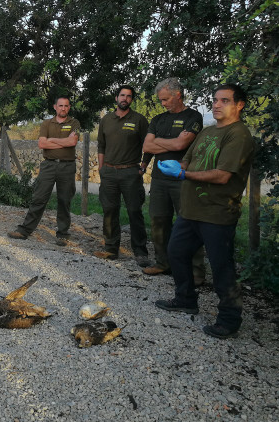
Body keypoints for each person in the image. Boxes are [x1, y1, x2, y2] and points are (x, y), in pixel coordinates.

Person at [155, 84, 254, 339]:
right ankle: (186, 298)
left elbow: (222, 175)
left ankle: (229, 320)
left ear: (239, 105)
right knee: (176, 252)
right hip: (191, 210)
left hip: (217, 213)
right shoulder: (208, 131)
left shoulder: (239, 134)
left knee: (221, 266)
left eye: (224, 100)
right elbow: (188, 157)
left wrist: (183, 174)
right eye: (215, 100)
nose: (217, 104)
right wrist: (177, 165)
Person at [141, 78, 206, 285]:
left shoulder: (193, 116)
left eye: (166, 99)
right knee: (158, 221)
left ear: (178, 95)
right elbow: (147, 146)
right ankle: (162, 263)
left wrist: (158, 142)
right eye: (161, 100)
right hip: (159, 180)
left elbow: (182, 144)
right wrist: (171, 144)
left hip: (183, 179)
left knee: (188, 222)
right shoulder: (158, 119)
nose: (163, 104)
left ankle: (196, 272)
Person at [8, 96, 80, 246]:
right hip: (49, 165)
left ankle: (62, 234)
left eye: (66, 106)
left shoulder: (74, 123)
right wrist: (63, 142)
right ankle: (24, 230)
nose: (63, 108)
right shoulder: (47, 123)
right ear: (55, 107)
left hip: (67, 166)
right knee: (39, 198)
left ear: (69, 107)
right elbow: (42, 144)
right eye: (60, 106)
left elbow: (72, 142)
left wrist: (52, 140)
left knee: (64, 200)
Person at [96, 85, 149, 263]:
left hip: (130, 173)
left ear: (132, 100)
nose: (124, 98)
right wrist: (102, 168)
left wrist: (143, 166)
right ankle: (111, 249)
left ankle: (140, 252)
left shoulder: (139, 120)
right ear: (116, 98)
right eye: (122, 95)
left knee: (134, 211)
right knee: (110, 211)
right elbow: (101, 145)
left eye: (128, 96)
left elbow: (148, 145)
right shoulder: (106, 120)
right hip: (109, 172)